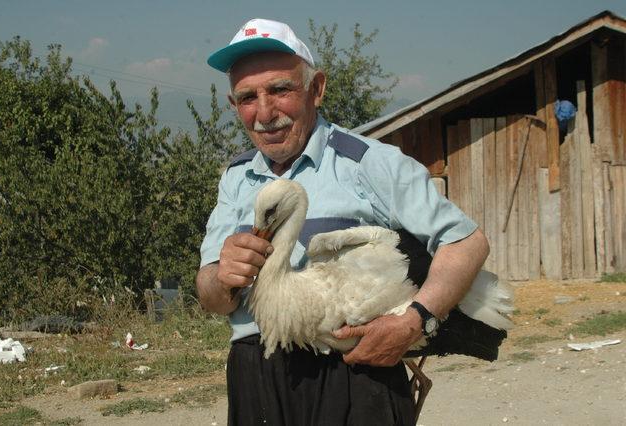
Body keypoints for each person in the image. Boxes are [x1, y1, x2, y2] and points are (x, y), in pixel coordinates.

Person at [196, 18, 489, 426]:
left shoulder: (369, 162)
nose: (264, 112)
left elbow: (466, 243)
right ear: (234, 106)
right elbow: (211, 296)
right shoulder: (235, 178)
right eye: (248, 97)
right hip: (256, 373)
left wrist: (414, 321)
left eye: (280, 89)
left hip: (354, 372)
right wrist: (222, 277)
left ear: (316, 89)